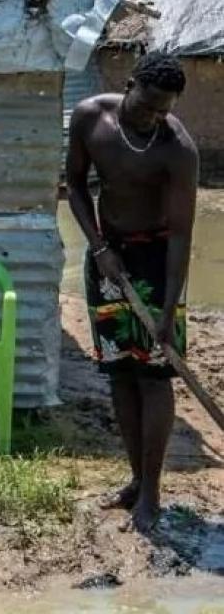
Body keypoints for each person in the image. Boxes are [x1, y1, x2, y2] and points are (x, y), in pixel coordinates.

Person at [65, 50, 198, 533]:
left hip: (157, 263)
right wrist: (99, 247)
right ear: (130, 84)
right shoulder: (89, 118)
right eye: (148, 105)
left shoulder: (176, 148)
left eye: (165, 110)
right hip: (108, 259)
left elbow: (183, 234)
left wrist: (167, 311)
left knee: (154, 375)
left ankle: (154, 493)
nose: (154, 117)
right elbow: (75, 186)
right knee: (120, 371)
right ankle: (136, 481)